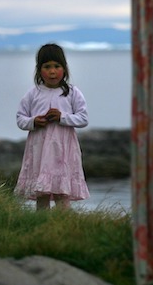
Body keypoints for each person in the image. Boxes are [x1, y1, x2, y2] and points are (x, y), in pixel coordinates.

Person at [14, 43, 90, 210]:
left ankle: (64, 226)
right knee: (42, 194)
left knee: (62, 194)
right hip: (39, 150)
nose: (52, 71)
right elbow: (20, 119)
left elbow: (83, 118)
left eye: (57, 66)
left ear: (65, 68)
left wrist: (62, 117)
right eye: (47, 67)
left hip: (63, 150)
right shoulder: (33, 94)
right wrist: (33, 122)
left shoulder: (72, 93)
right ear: (39, 70)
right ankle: (43, 225)